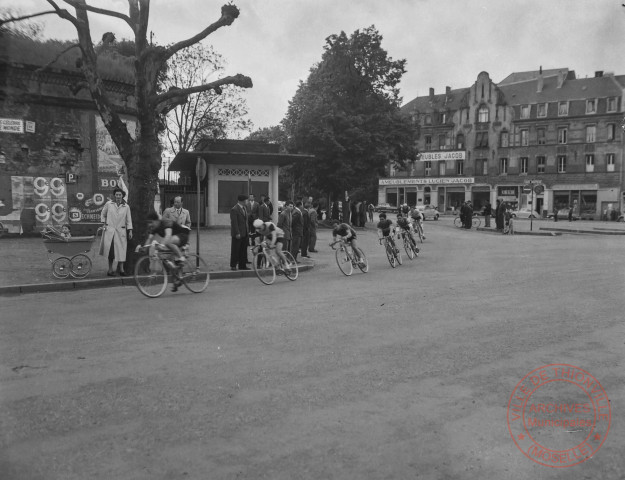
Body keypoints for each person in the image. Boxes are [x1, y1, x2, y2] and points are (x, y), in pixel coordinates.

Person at [144, 211, 190, 291]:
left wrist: (162, 244)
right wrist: (144, 247)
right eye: (148, 223)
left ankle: (182, 258)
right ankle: (177, 280)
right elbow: (149, 239)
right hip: (173, 241)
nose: (149, 225)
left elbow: (168, 235)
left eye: (151, 222)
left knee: (167, 242)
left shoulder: (166, 222)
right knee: (169, 261)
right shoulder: (154, 228)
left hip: (182, 235)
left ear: (157, 220)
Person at [100, 187, 133, 276]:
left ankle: (122, 270)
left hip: (121, 231)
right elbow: (103, 213)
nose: (118, 196)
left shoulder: (126, 206)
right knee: (111, 252)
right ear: (114, 195)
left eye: (120, 195)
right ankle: (110, 270)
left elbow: (129, 219)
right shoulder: (109, 204)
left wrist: (130, 231)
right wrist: (104, 223)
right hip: (110, 231)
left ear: (122, 196)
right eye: (116, 195)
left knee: (121, 251)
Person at [230, 194, 250, 271]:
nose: (247, 201)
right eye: (246, 200)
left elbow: (245, 221)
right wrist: (237, 233)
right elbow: (234, 223)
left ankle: (242, 265)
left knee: (243, 250)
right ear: (242, 201)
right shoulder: (234, 209)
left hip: (245, 232)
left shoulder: (244, 208)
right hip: (238, 233)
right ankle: (233, 265)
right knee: (235, 249)